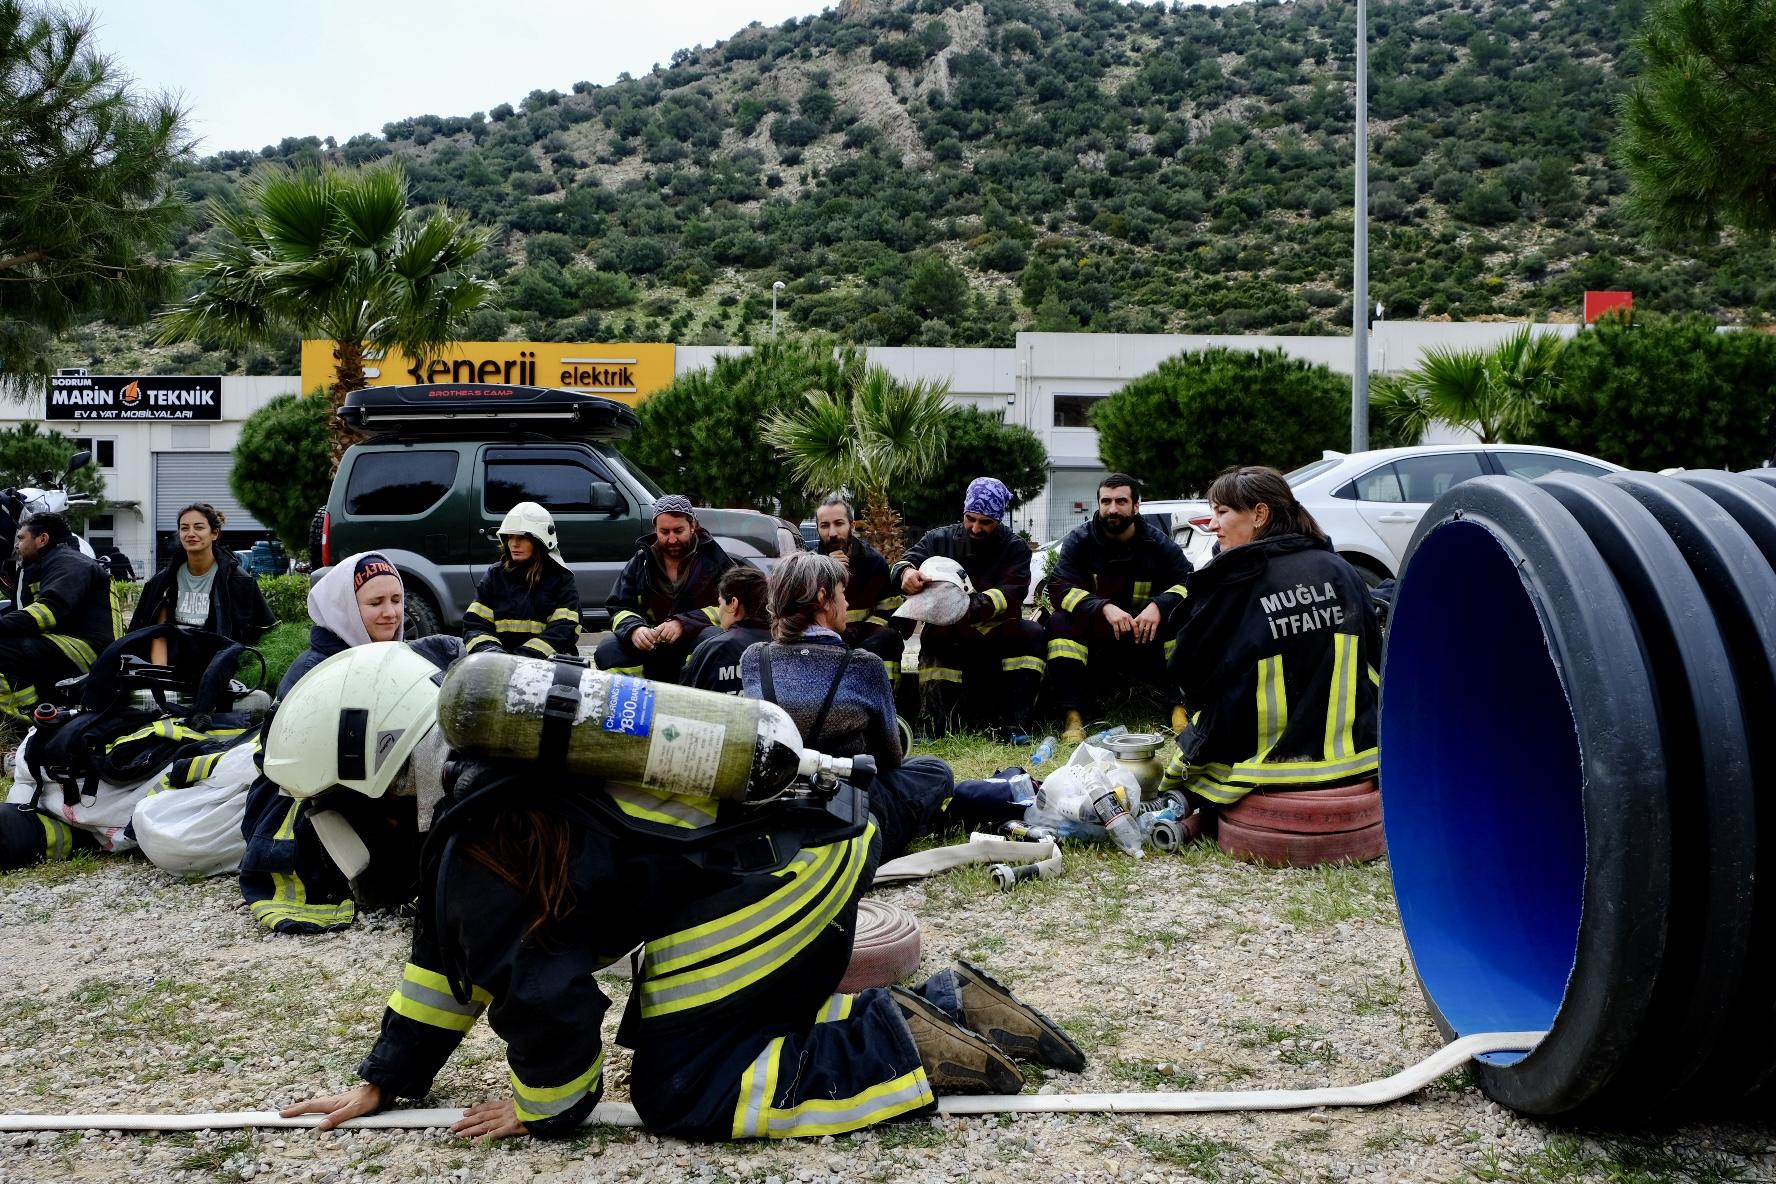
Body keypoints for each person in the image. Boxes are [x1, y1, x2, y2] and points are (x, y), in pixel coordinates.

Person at [276, 654, 1084, 1143]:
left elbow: (548, 1002)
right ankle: (955, 1005)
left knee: (687, 1086)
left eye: (328, 808)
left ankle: (904, 1041)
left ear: (374, 786)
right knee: (723, 1036)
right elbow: (443, 968)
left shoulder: (474, 848)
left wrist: (545, 1108)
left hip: (781, 870)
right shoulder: (480, 812)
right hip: (795, 850)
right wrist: (387, 1077)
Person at [239, 554, 462, 933]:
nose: (391, 613)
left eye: (396, 600)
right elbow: (275, 759)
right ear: (344, 609)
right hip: (316, 800)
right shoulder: (315, 670)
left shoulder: (404, 658)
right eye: (375, 603)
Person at [1157, 466, 1381, 811]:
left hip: (1256, 767)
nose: (1212, 524)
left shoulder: (1237, 580)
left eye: (1221, 512)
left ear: (1260, 514)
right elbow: (1374, 658)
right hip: (1358, 759)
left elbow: (1190, 669)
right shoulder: (1340, 569)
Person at [741, 552, 953, 865]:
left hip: (776, 809)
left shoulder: (754, 659)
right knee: (935, 771)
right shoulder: (864, 666)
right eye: (842, 594)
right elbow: (890, 757)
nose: (846, 603)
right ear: (823, 598)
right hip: (850, 810)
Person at [890, 478, 1045, 740]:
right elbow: (903, 562)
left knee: (1033, 634)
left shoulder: (1014, 548)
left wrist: (966, 608)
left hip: (998, 631)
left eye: (986, 522)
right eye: (970, 518)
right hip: (950, 632)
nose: (975, 527)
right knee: (933, 638)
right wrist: (905, 572)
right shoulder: (939, 539)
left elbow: (1013, 592)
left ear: (999, 519)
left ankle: (1015, 725)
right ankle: (932, 726)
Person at [1043, 474, 1193, 742]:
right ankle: (1072, 717)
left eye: (1121, 501)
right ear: (1099, 504)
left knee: (1183, 621)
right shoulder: (1080, 541)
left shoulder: (1157, 544)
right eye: (1106, 501)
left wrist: (1159, 606)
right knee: (1059, 623)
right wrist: (1102, 608)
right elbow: (1058, 587)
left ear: (1136, 506)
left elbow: (1189, 584)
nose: (1113, 509)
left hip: (1144, 640)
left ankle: (1179, 710)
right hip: (1097, 641)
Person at [594, 495, 733, 682]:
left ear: (693, 526)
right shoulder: (641, 561)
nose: (672, 539)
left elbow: (734, 606)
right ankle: (633, 701)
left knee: (715, 641)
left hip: (694, 642)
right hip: (651, 646)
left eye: (678, 530)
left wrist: (683, 624)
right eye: (664, 532)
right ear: (655, 530)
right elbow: (619, 606)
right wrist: (635, 629)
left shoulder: (715, 559)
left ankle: (695, 699)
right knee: (609, 649)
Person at [129, 503, 276, 674]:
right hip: (173, 670)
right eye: (184, 528)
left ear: (214, 533)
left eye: (198, 527)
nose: (191, 534)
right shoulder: (164, 581)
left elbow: (265, 633)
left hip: (219, 671)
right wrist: (161, 677)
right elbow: (157, 633)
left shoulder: (239, 581)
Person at [0, 512, 119, 720]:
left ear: (42, 539)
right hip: (70, 643)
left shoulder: (69, 562)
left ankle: (27, 715)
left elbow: (49, 610)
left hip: (92, 652)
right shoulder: (48, 564)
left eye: (21, 538)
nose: (16, 545)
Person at [461, 501, 581, 659]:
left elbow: (564, 630)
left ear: (540, 541)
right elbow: (475, 625)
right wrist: (493, 654)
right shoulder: (495, 575)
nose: (514, 544)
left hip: (545, 663)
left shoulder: (561, 578)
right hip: (497, 662)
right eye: (510, 537)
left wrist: (522, 658)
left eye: (522, 538)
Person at [813, 493, 905, 685]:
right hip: (822, 641)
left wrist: (859, 633)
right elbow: (798, 612)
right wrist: (826, 571)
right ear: (817, 529)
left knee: (889, 638)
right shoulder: (809, 566)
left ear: (852, 526)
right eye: (824, 525)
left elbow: (889, 611)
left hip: (866, 639)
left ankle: (884, 701)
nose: (832, 533)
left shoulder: (873, 562)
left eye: (839, 523)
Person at [679, 566, 772, 695]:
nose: (719, 610)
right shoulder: (784, 643)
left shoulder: (712, 649)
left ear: (733, 603)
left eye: (720, 603)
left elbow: (685, 696)